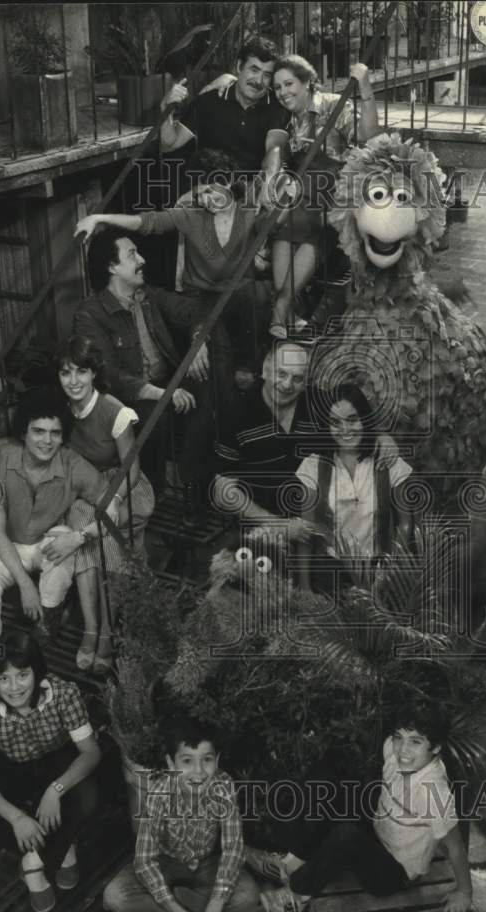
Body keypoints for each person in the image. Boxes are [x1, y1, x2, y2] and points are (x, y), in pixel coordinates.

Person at [0, 337, 155, 673]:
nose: (73, 381)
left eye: (81, 372)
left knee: (99, 533)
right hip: (81, 490)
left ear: (93, 374)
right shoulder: (62, 406)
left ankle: (106, 632)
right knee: (80, 520)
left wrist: (113, 500)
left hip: (122, 488)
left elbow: (132, 468)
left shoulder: (113, 410)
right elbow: (24, 437)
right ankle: (90, 628)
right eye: (65, 372)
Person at [255, 705, 473, 912]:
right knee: (327, 777)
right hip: (377, 834)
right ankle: (293, 861)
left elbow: (455, 846)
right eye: (399, 737)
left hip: (393, 873)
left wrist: (464, 892)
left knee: (346, 836)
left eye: (415, 742)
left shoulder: (434, 793)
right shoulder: (392, 750)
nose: (403, 750)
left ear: (435, 747)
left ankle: (296, 896)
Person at [74, 150, 274, 373]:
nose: (207, 199)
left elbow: (275, 199)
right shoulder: (190, 214)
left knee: (259, 293)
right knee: (212, 345)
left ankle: (250, 368)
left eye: (211, 190)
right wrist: (100, 217)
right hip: (200, 296)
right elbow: (149, 222)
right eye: (200, 194)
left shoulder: (249, 208)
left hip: (237, 293)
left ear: (227, 182)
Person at [0, 390, 121, 674]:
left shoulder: (72, 463)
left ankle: (47, 622)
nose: (47, 441)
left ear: (63, 437)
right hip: (6, 546)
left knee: (64, 555)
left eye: (55, 433)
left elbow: (111, 507)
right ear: (23, 434)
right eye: (38, 431)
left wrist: (78, 537)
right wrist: (26, 586)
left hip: (47, 541)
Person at [72, 228, 219, 516]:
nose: (142, 259)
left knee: (207, 386)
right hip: (129, 396)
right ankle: (157, 499)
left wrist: (198, 340)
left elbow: (196, 310)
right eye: (132, 254)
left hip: (166, 382)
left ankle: (192, 483)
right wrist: (164, 394)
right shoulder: (89, 314)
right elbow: (109, 376)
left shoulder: (148, 295)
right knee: (155, 416)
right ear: (113, 267)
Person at [0, 629, 101, 912]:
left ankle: (33, 863)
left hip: (58, 765)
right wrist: (16, 819)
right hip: (14, 770)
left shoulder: (63, 693)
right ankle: (63, 841)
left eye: (22, 675)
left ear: (36, 672)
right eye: (4, 678)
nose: (14, 687)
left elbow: (91, 753)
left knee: (89, 796)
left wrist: (56, 790)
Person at [102, 718, 260, 912]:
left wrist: (216, 904)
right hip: (165, 863)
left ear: (216, 760)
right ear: (170, 763)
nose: (198, 771)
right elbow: (145, 860)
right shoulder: (159, 792)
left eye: (206, 760)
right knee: (114, 895)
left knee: (248, 895)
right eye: (186, 761)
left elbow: (233, 849)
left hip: (207, 863)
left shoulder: (224, 786)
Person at [269, 56, 379, 336]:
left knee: (309, 221)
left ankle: (281, 306)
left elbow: (368, 135)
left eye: (289, 83)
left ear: (307, 82)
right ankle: (287, 308)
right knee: (283, 224)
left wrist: (365, 87)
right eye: (278, 87)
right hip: (304, 191)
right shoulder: (286, 119)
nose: (283, 92)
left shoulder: (333, 105)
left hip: (336, 191)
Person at [294, 383, 412, 591]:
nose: (345, 430)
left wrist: (394, 567)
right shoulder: (313, 466)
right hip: (329, 573)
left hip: (379, 573)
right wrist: (304, 588)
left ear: (364, 419)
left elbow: (405, 523)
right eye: (335, 422)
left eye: (352, 419)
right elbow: (306, 531)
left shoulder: (387, 463)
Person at [212, 339, 316, 544]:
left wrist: (382, 439)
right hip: (260, 531)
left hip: (313, 525)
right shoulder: (237, 414)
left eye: (297, 378)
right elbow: (223, 492)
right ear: (265, 370)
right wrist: (278, 525)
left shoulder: (316, 405)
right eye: (281, 373)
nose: (287, 385)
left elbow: (355, 421)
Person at [159, 36, 289, 178]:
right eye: (254, 70)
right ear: (239, 67)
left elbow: (274, 148)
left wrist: (268, 184)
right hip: (210, 191)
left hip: (251, 193)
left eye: (267, 75)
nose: (259, 81)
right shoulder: (208, 100)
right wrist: (166, 108)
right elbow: (169, 144)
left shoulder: (277, 106)